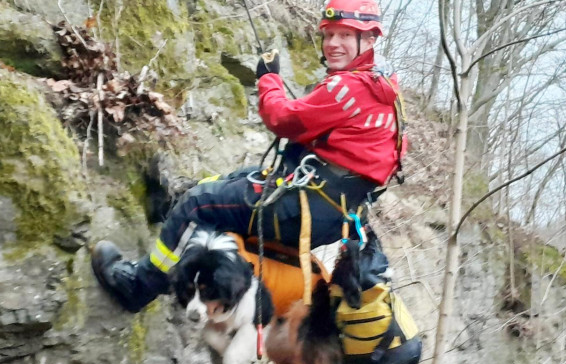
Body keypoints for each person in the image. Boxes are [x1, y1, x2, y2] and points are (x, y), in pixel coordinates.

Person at [91, 0, 407, 312]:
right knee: (234, 180)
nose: (332, 44)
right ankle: (171, 211)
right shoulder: (385, 85)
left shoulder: (348, 87)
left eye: (344, 35)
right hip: (330, 209)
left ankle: (137, 286)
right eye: (329, 34)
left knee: (200, 203)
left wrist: (268, 77)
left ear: (368, 39)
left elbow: (282, 119)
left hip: (305, 209)